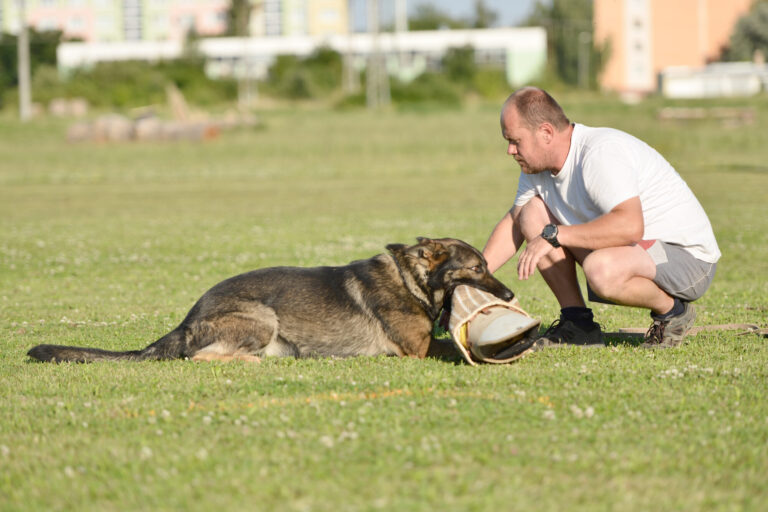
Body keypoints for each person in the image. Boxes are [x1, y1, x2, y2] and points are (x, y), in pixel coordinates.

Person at [483, 87, 720, 348]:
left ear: (546, 133)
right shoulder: (536, 168)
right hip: (636, 252)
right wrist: (471, 277)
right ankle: (578, 324)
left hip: (688, 259)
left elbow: (630, 226)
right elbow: (515, 222)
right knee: (530, 213)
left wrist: (556, 235)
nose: (510, 150)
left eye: (515, 141)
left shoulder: (599, 153)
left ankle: (673, 313)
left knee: (600, 269)